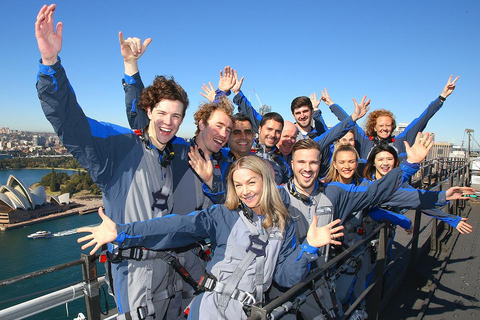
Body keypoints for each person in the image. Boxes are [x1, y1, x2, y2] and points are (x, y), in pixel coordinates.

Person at [35, 5, 192, 320]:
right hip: (136, 284)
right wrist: (50, 63)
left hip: (176, 282)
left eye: (176, 116)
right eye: (161, 113)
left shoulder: (179, 152)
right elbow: (70, 121)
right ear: (150, 112)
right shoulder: (118, 148)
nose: (168, 122)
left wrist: (131, 69)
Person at [77, 155, 345, 320]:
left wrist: (309, 247)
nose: (245, 192)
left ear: (265, 181)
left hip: (249, 311)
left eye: (251, 182)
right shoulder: (223, 215)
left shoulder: (283, 224)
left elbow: (285, 278)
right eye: (238, 185)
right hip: (211, 309)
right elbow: (175, 225)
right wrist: (122, 232)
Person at [120, 36, 235, 316]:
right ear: (200, 124)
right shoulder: (178, 150)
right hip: (161, 258)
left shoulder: (224, 165)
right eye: (218, 127)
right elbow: (142, 119)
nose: (223, 134)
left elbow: (225, 211)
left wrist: (213, 183)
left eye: (228, 131)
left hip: (194, 257)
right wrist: (131, 69)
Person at [323, 76, 459, 161]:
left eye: (388, 125)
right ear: (374, 127)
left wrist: (441, 97)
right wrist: (331, 104)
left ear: (392, 126)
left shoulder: (401, 141)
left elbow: (422, 119)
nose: (384, 128)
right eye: (381, 126)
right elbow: (347, 122)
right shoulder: (365, 142)